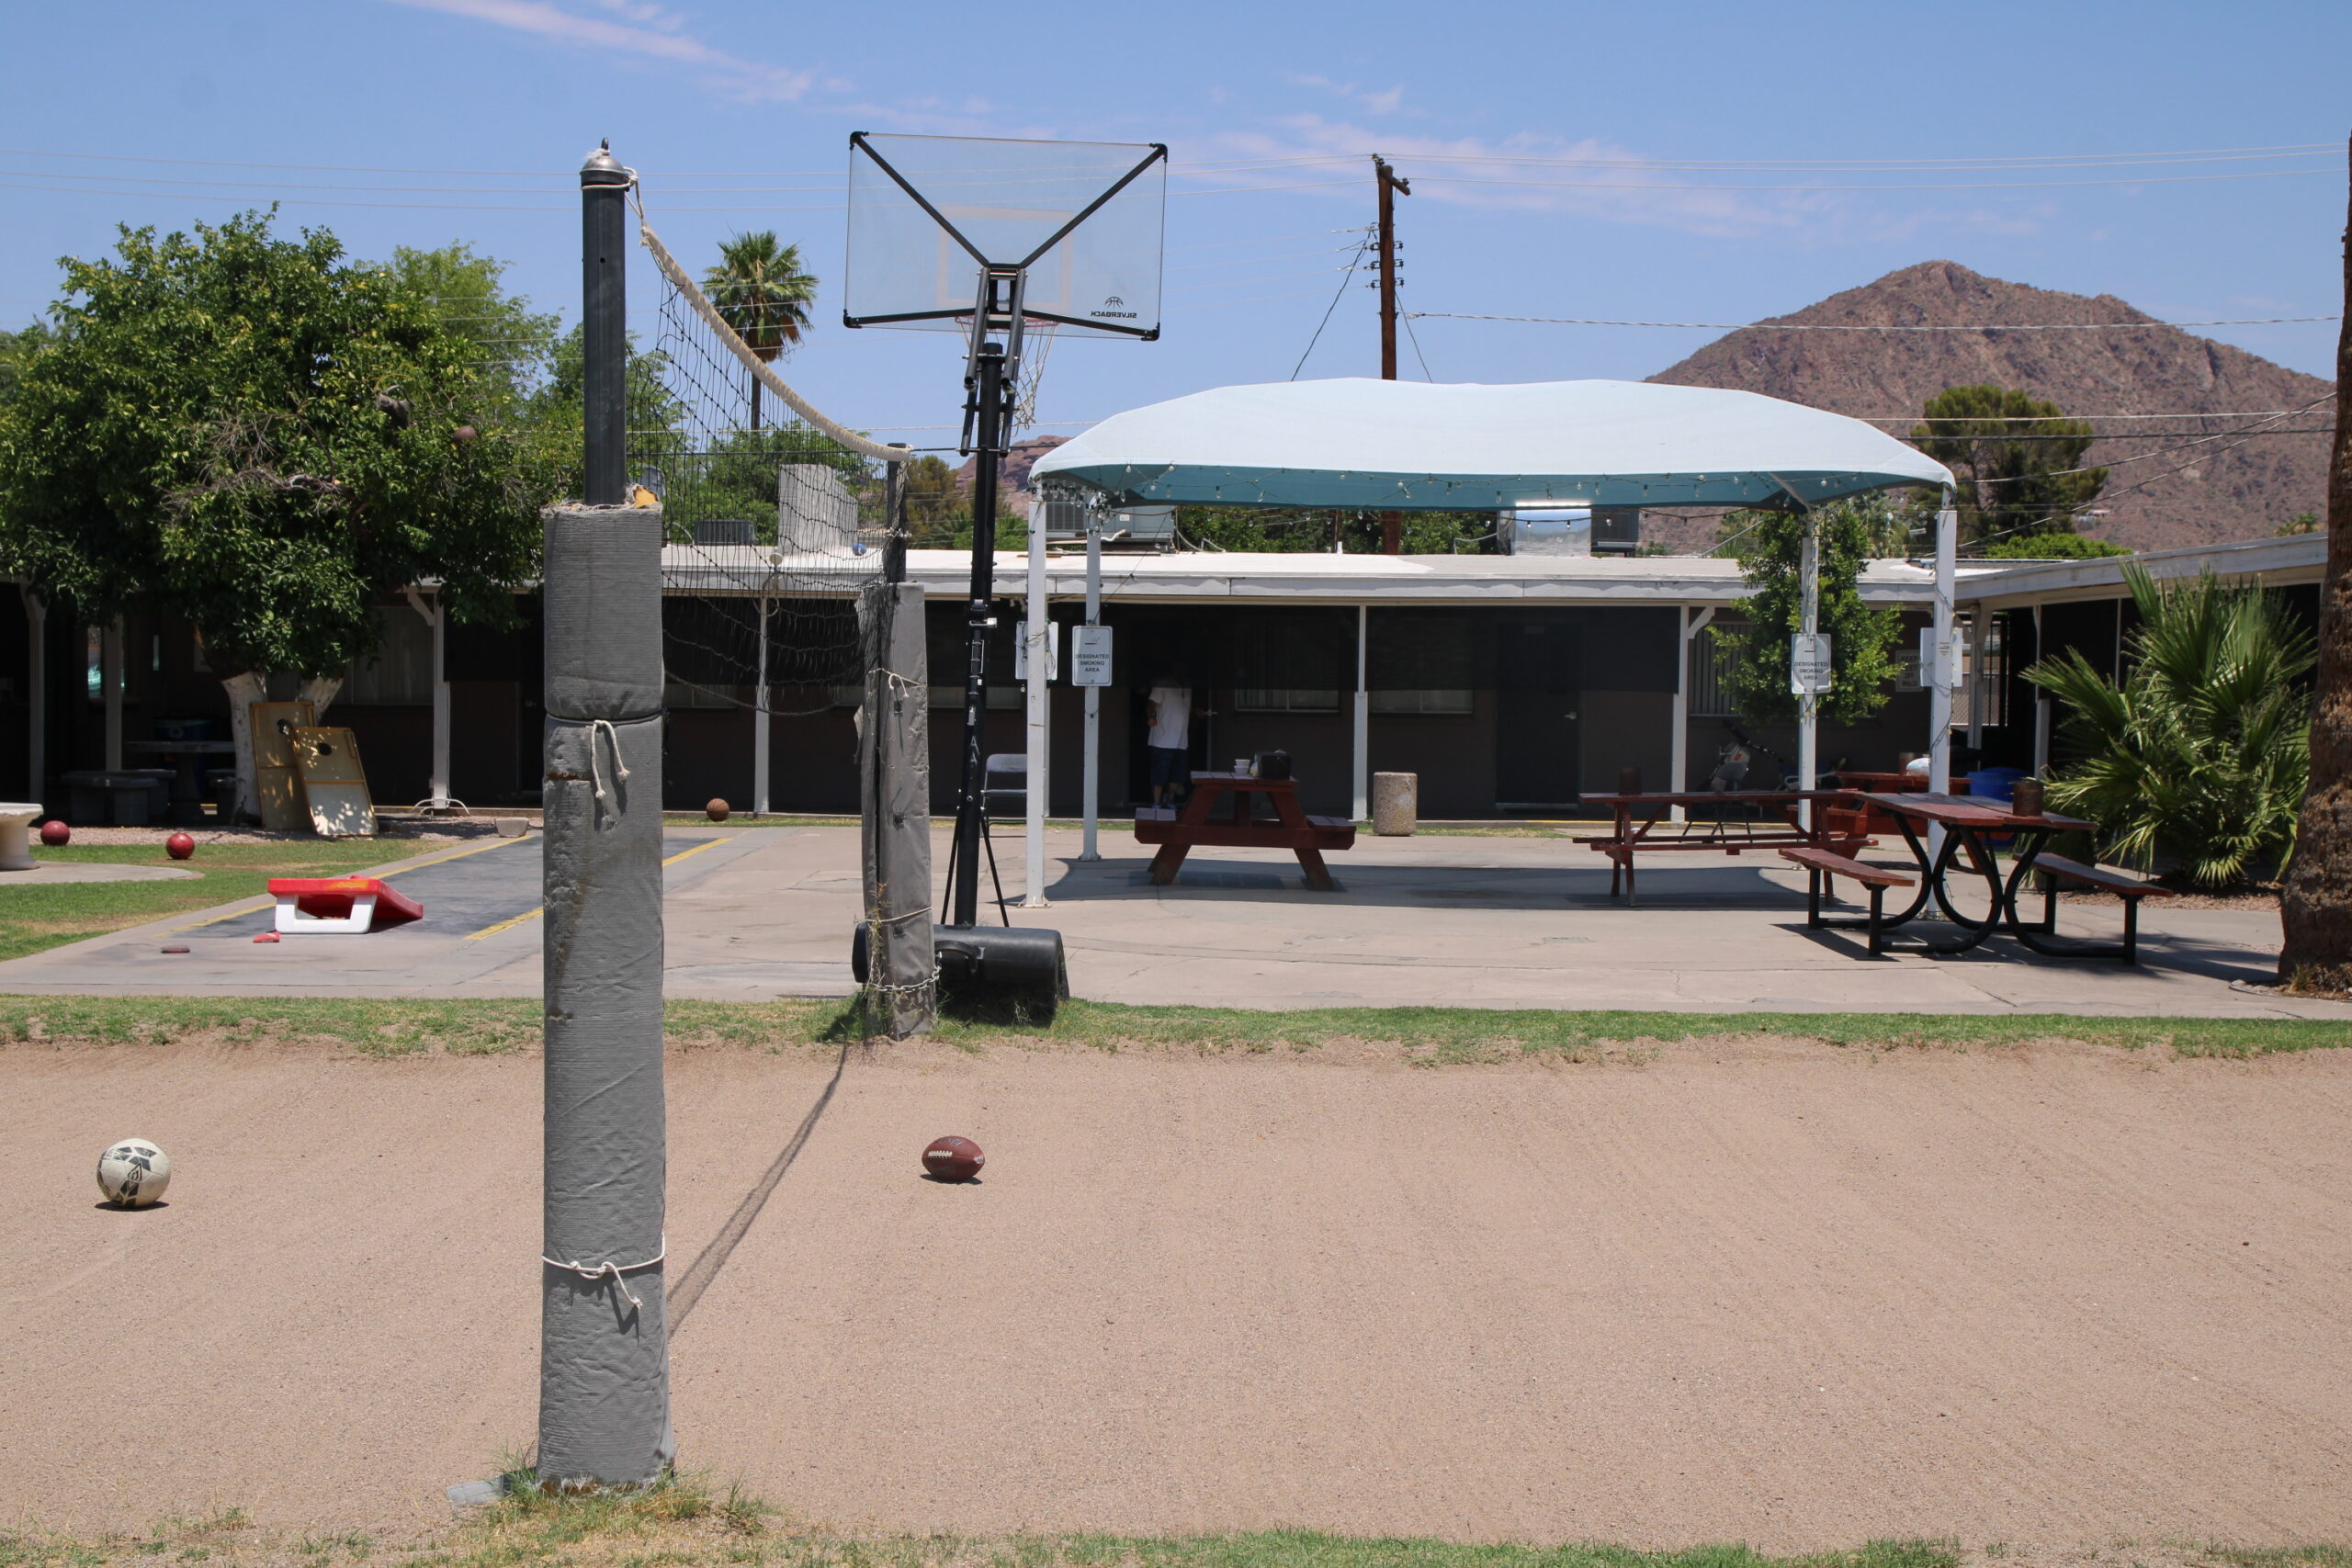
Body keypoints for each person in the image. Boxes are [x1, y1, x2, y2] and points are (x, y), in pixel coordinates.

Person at [1145, 671, 1197, 808]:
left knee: (1177, 773)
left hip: (1181, 740)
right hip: (1163, 739)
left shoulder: (1187, 685)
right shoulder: (1162, 683)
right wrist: (1151, 717)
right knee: (1159, 772)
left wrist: (1196, 710)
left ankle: (1170, 801)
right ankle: (1156, 802)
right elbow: (1151, 703)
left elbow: (1180, 707)